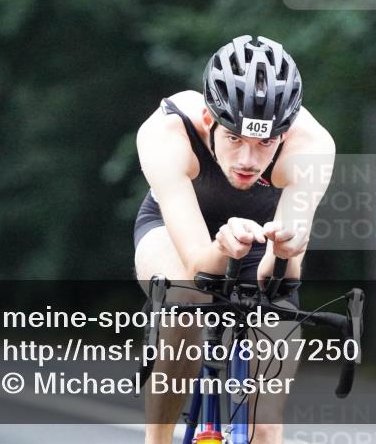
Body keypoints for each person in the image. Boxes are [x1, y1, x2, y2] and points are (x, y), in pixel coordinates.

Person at [134, 35, 335, 444]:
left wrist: (282, 252)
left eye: (264, 143)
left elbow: (280, 281)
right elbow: (196, 263)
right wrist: (221, 247)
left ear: (285, 133)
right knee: (188, 303)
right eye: (234, 139)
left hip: (262, 237)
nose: (247, 160)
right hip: (177, 233)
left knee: (266, 422)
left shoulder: (311, 147)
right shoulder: (167, 131)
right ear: (210, 120)